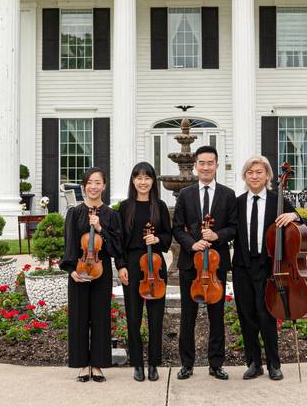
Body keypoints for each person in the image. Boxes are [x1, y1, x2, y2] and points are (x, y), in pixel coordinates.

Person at [231, 155, 305, 381]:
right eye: (250, 172)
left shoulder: (277, 201)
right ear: (245, 176)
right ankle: (253, 363)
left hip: (268, 267)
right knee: (246, 316)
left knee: (266, 315)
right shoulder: (237, 202)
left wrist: (294, 215)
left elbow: (303, 223)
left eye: (259, 172)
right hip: (242, 267)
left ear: (268, 176)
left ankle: (274, 363)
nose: (254, 176)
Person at [171, 145, 237, 380]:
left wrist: (217, 235)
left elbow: (234, 228)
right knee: (187, 317)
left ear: (217, 166)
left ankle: (216, 364)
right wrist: (192, 244)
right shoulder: (186, 194)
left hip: (217, 265)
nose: (206, 167)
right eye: (202, 163)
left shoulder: (228, 195)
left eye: (210, 163)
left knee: (216, 317)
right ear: (196, 166)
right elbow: (177, 228)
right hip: (191, 265)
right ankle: (186, 364)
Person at [60, 167, 122, 383]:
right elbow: (68, 244)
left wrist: (101, 228)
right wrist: (71, 270)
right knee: (78, 318)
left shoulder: (111, 215)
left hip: (100, 271)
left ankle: (97, 365)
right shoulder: (74, 213)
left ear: (104, 186)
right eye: (90, 182)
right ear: (84, 186)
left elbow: (116, 247)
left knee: (100, 318)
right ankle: (82, 365)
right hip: (79, 270)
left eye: (98, 182)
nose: (93, 187)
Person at [115, 161, 172, 382]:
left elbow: (168, 236)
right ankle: (137, 363)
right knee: (133, 316)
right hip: (131, 264)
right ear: (133, 181)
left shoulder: (160, 205)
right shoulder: (125, 207)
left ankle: (153, 364)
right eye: (139, 177)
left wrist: (158, 238)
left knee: (156, 317)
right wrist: (120, 266)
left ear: (153, 181)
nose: (143, 182)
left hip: (155, 265)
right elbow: (119, 241)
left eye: (147, 178)